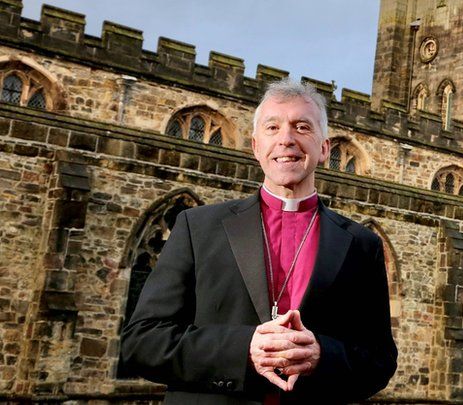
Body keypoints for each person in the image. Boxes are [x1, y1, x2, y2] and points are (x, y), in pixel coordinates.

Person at [121, 79, 397, 404]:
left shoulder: (362, 244)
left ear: (324, 149)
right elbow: (141, 341)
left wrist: (322, 355)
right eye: (273, 127)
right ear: (255, 147)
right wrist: (243, 349)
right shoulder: (198, 227)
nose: (287, 139)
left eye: (302, 127)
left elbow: (379, 361)